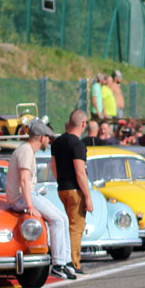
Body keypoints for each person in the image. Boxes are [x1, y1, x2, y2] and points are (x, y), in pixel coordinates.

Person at [5, 121, 75, 279]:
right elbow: (23, 180)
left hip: (27, 195)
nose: (49, 141)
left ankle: (67, 261)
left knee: (63, 218)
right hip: (21, 197)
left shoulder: (27, 150)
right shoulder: (26, 151)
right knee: (56, 220)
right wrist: (29, 206)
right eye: (48, 138)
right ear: (42, 137)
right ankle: (58, 263)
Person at [51, 110, 93, 275]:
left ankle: (66, 258)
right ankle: (73, 262)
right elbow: (80, 172)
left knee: (66, 225)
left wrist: (60, 181)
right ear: (83, 124)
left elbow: (52, 166)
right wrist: (88, 197)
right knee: (76, 228)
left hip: (61, 188)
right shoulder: (78, 144)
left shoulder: (57, 142)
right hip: (75, 190)